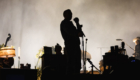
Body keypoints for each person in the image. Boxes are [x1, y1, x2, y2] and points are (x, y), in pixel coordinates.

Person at [60, 9, 83, 75]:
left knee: (77, 65)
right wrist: (77, 33)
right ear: (64, 15)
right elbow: (71, 32)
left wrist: (77, 23)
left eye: (71, 13)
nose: (71, 15)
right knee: (71, 65)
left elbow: (78, 32)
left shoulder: (70, 23)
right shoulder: (64, 23)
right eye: (69, 13)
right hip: (70, 46)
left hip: (75, 46)